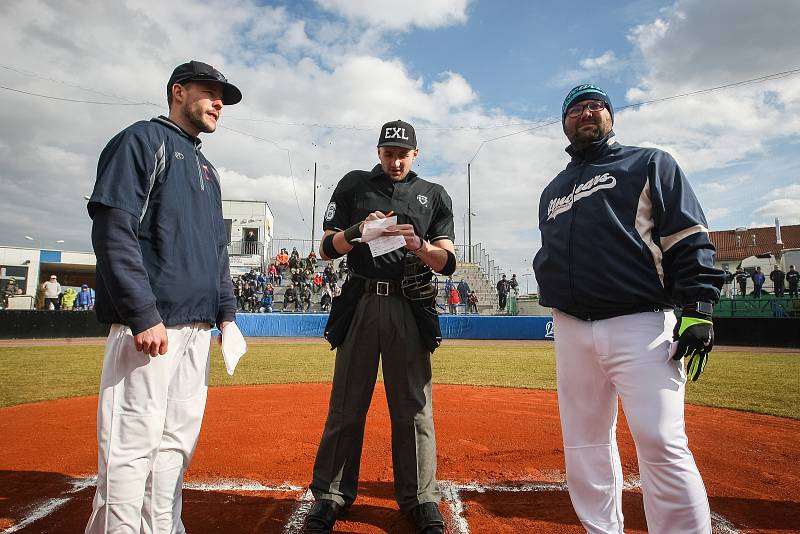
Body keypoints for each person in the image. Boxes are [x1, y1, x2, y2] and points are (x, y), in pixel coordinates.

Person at [533, 84, 723, 534]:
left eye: (597, 105)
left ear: (611, 118)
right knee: (585, 443)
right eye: (577, 107)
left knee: (661, 440)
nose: (588, 111)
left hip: (640, 323)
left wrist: (697, 308)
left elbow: (687, 237)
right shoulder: (553, 190)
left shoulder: (650, 163)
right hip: (572, 328)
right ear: (564, 122)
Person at [84, 60, 241, 534]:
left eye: (223, 97)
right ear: (178, 91)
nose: (219, 103)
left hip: (195, 328)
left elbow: (217, 250)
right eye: (211, 92)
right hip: (151, 329)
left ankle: (164, 528)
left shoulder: (208, 169)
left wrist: (227, 315)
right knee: (132, 444)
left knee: (176, 443)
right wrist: (142, 313)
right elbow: (114, 230)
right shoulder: (140, 141)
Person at [306, 119, 456, 534]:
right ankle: (331, 495)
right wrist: (358, 231)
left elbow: (447, 261)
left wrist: (419, 246)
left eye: (403, 154)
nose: (395, 161)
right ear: (378, 152)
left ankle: (421, 497)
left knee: (413, 407)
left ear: (415, 154)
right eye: (389, 153)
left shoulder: (434, 194)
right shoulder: (355, 185)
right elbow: (323, 250)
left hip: (409, 304)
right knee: (346, 404)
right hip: (361, 302)